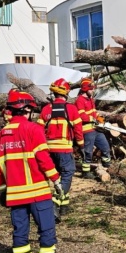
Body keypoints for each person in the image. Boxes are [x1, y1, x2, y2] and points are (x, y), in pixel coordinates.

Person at [0, 91, 70, 253]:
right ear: (26, 109)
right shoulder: (33, 129)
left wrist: (3, 190)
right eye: (31, 109)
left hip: (15, 194)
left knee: (20, 233)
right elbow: (43, 159)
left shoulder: (1, 135)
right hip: (38, 193)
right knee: (47, 231)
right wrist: (56, 180)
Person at [37, 78, 84, 217]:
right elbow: (78, 130)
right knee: (67, 175)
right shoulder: (71, 109)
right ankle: (55, 202)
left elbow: (39, 130)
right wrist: (81, 145)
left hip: (48, 150)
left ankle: (64, 207)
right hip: (64, 149)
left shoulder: (46, 109)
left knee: (56, 176)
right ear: (66, 93)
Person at [75, 78, 110, 179]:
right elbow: (81, 116)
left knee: (105, 146)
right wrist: (93, 119)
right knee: (88, 152)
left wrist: (100, 118)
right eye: (91, 89)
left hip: (95, 129)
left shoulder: (91, 99)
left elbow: (94, 112)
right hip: (86, 130)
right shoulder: (80, 100)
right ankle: (85, 172)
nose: (93, 90)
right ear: (86, 89)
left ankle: (106, 165)